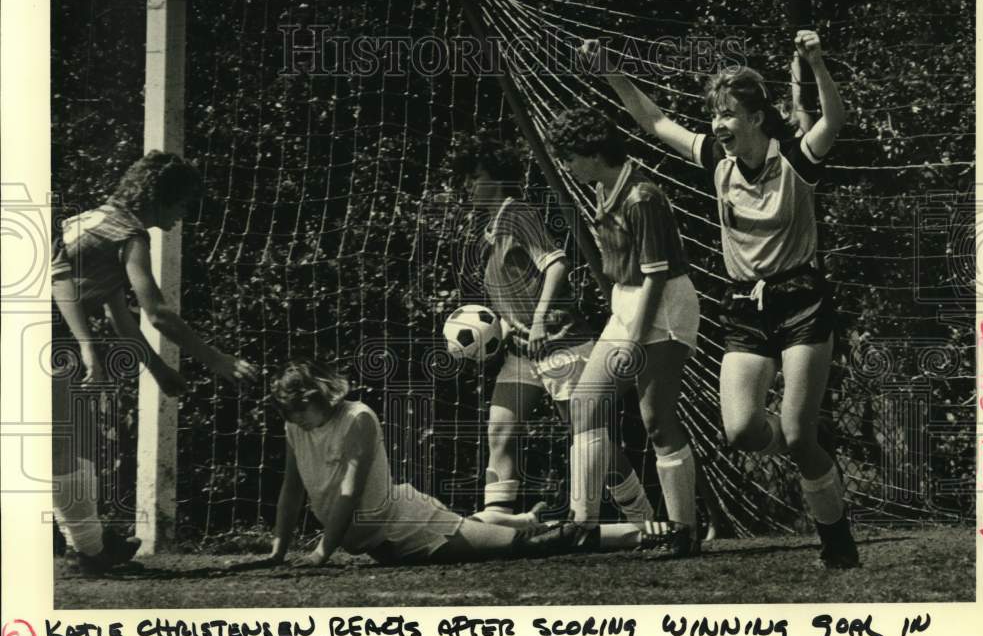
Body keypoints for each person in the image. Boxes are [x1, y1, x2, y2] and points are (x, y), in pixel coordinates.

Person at [585, 30, 860, 568]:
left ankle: (837, 537)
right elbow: (655, 122)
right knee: (740, 430)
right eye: (714, 115)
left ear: (756, 118)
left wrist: (818, 64)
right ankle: (806, 437)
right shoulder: (716, 160)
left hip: (801, 302)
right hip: (745, 308)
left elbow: (834, 119)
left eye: (728, 114)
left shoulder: (797, 161)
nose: (718, 125)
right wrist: (612, 72)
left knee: (800, 437)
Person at [228, 359, 692, 569]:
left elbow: (349, 492)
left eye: (297, 412)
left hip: (409, 526)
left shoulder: (357, 419)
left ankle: (650, 531)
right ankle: (519, 517)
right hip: (385, 541)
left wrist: (320, 553)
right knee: (493, 531)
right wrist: (277, 549)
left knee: (537, 545)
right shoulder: (296, 427)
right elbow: (292, 491)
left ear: (318, 398)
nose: (292, 422)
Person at [51, 150, 259, 573]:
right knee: (60, 448)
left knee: (73, 441)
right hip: (44, 339)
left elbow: (117, 314)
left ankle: (89, 547)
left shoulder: (93, 222)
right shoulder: (131, 235)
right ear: (158, 196)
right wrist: (216, 359)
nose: (184, 214)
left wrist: (159, 369)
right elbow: (158, 313)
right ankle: (86, 552)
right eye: (182, 203)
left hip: (47, 337)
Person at [453, 134, 654, 528]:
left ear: (497, 178)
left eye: (474, 177)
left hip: (562, 345)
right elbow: (511, 292)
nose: (467, 186)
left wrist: (542, 318)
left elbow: (556, 264)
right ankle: (497, 518)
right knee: (500, 425)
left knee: (590, 437)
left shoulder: (517, 214)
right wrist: (507, 324)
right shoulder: (489, 230)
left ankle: (642, 517)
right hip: (523, 352)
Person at [544, 108, 702, 554]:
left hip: (664, 306)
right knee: (585, 402)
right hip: (627, 302)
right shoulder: (602, 188)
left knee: (656, 421)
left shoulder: (641, 196)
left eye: (570, 156)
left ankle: (682, 532)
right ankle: (582, 523)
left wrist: (635, 336)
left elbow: (655, 274)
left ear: (594, 153)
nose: (566, 166)